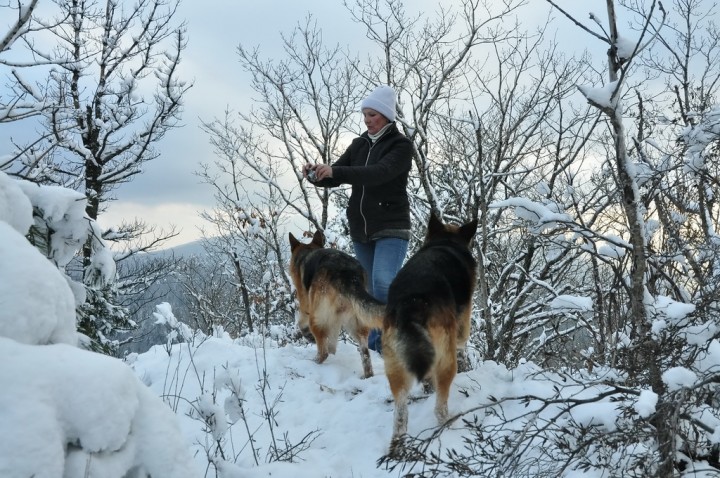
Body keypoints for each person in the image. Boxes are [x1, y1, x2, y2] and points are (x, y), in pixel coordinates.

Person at [302, 84, 413, 353]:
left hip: (391, 227)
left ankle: (388, 346)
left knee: (383, 283)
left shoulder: (401, 146)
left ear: (386, 115)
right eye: (364, 115)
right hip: (362, 231)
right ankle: (375, 349)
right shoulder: (359, 144)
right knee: (365, 292)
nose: (367, 120)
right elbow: (337, 175)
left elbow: (378, 172)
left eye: (372, 115)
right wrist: (316, 175)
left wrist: (338, 171)